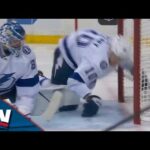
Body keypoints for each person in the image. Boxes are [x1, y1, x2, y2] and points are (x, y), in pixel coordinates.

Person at [40, 29, 133, 117]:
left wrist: (141, 78)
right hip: (66, 53)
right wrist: (90, 98)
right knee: (59, 102)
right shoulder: (97, 61)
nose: (119, 62)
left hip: (83, 52)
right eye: (117, 58)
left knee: (72, 102)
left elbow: (127, 63)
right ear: (110, 51)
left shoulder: (116, 49)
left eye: (121, 59)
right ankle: (39, 78)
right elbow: (74, 81)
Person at [0, 21, 40, 115]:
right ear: (4, 40)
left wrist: (23, 110)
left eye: (20, 41)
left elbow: (28, 91)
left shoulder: (26, 56)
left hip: (7, 93)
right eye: (15, 41)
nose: (19, 44)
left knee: (6, 124)